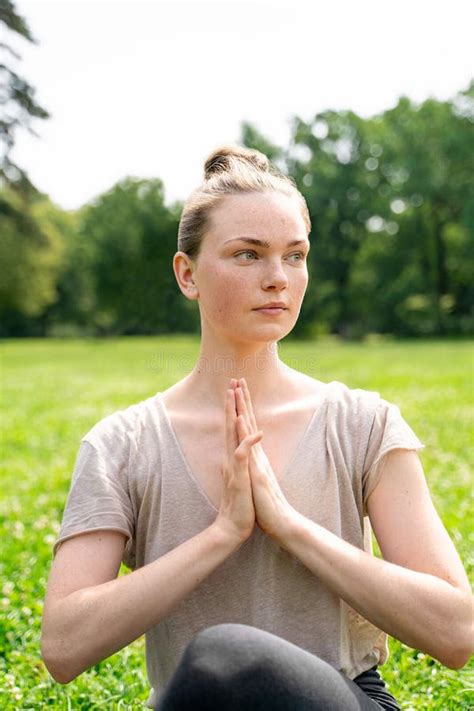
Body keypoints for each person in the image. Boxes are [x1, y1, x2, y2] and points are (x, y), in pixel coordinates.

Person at [41, 145, 473, 710]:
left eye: (295, 256)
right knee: (217, 666)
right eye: (248, 255)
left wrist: (288, 524)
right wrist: (221, 534)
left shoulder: (364, 424)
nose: (278, 279)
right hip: (194, 703)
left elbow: (457, 632)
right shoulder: (122, 445)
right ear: (187, 274)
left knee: (233, 657)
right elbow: (63, 645)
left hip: (342, 698)